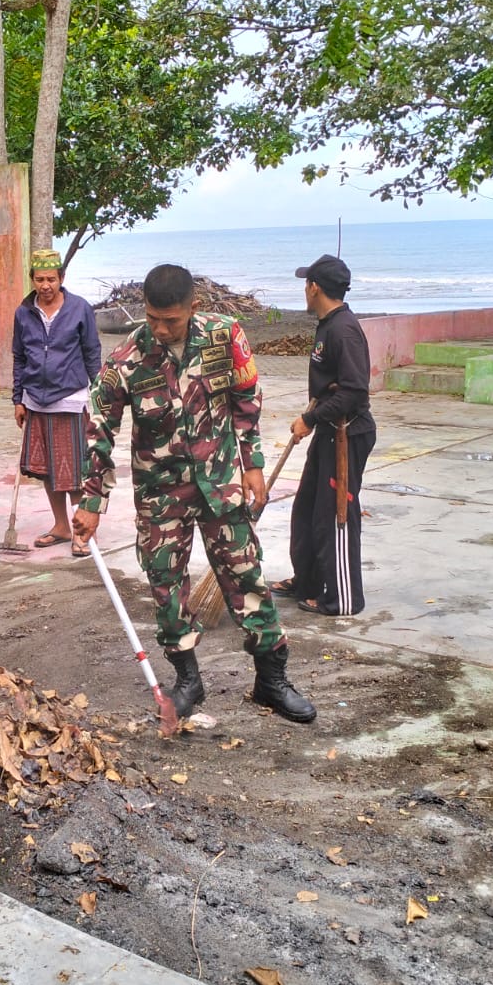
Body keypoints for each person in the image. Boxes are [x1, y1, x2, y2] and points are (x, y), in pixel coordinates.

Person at [72, 265, 316, 724]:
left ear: (194, 308)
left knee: (246, 577)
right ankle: (188, 680)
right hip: (161, 495)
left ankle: (271, 681)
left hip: (220, 483)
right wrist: (91, 503)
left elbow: (246, 400)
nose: (161, 330)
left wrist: (254, 466)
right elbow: (99, 428)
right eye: (152, 319)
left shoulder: (226, 336)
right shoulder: (127, 358)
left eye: (172, 320)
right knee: (165, 585)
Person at [271, 254, 376, 616]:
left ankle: (343, 598)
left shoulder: (343, 329)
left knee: (336, 515)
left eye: (306, 284)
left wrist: (311, 418)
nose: (304, 289)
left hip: (347, 435)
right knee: (306, 512)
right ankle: (309, 581)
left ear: (315, 287)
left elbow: (355, 392)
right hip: (329, 433)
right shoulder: (327, 324)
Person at [12, 249, 102, 556]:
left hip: (70, 398)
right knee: (49, 469)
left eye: (51, 279)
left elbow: (92, 353)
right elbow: (19, 357)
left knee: (74, 470)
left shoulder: (80, 309)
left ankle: (81, 531)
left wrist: (99, 395)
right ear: (32, 280)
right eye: (40, 279)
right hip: (35, 400)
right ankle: (61, 526)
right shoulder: (24, 312)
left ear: (62, 279)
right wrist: (17, 399)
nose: (46, 285)